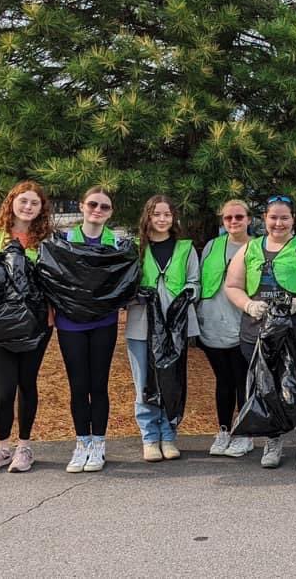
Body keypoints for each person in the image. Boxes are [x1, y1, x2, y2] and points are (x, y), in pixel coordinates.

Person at [224, 194, 296, 471]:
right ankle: (273, 439)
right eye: (273, 217)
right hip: (259, 335)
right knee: (266, 389)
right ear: (264, 220)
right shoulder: (249, 249)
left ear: (293, 219)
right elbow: (232, 285)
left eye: (284, 217)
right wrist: (248, 304)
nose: (278, 223)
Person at [0, 181, 54, 473]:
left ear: (42, 209)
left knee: (27, 385)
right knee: (4, 390)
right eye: (23, 201)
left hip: (37, 326)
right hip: (2, 327)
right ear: (12, 202)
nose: (28, 207)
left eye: (34, 203)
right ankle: (2, 447)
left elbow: (57, 283)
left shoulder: (47, 242)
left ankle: (24, 447)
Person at [126, 195, 199, 462]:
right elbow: (124, 285)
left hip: (174, 327)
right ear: (148, 216)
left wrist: (186, 297)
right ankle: (149, 437)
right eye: (156, 214)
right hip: (141, 325)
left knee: (172, 381)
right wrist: (137, 294)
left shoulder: (185, 248)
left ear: (174, 217)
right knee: (144, 382)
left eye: (167, 214)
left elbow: (194, 282)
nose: (162, 219)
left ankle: (168, 435)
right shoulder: (135, 248)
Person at [58, 186, 122, 473]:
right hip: (70, 323)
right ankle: (81, 442)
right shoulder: (64, 240)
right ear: (82, 206)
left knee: (99, 384)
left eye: (104, 207)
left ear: (110, 213)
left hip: (103, 323)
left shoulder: (116, 244)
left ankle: (99, 443)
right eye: (93, 204)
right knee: (78, 385)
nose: (97, 210)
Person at [199, 200, 253, 457]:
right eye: (228, 218)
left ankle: (244, 433)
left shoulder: (256, 247)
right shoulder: (212, 246)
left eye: (239, 217)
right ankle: (223, 430)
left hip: (243, 324)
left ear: (249, 219)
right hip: (212, 323)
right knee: (223, 380)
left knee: (243, 380)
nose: (234, 221)